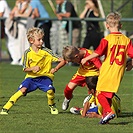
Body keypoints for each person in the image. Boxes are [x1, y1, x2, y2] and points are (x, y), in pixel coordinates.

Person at [81, 12, 133, 124]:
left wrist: (86, 58)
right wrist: (131, 63)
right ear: (121, 25)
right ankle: (105, 117)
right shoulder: (127, 40)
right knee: (108, 95)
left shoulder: (107, 39)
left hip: (107, 70)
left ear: (107, 25)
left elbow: (98, 53)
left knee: (99, 93)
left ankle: (109, 112)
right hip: (118, 72)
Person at [0, 27, 66, 115]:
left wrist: (55, 69)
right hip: (31, 78)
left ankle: (52, 106)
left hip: (45, 77)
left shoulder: (47, 51)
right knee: (22, 90)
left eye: (42, 39)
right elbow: (24, 68)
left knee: (50, 90)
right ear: (31, 40)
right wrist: (33, 68)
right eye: (39, 39)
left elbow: (62, 60)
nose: (42, 41)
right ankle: (5, 108)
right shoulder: (27, 53)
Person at [61, 45, 102, 111]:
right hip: (82, 72)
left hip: (93, 73)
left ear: (76, 56)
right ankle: (68, 98)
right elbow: (65, 60)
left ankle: (92, 107)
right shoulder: (76, 51)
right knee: (68, 89)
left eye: (72, 61)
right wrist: (56, 68)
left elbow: (101, 67)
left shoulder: (91, 56)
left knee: (93, 92)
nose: (73, 62)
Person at [9, 0, 32, 65]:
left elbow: (24, 13)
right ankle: (21, 58)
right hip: (20, 26)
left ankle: (26, 59)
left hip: (26, 26)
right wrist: (16, 6)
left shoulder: (29, 4)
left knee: (26, 43)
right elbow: (12, 13)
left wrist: (18, 13)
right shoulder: (19, 4)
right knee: (20, 43)